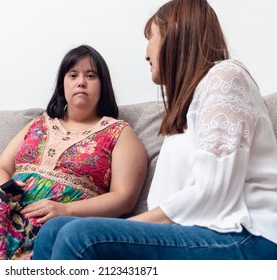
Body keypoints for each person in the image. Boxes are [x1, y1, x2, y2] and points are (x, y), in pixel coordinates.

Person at [33, 0, 277, 260]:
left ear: (175, 35)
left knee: (79, 236)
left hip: (247, 235)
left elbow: (214, 193)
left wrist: (129, 226)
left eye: (150, 37)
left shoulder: (226, 78)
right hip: (200, 231)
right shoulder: (187, 106)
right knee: (54, 229)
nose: (146, 53)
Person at [0, 45, 147, 260]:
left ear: (103, 85)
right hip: (7, 211)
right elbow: (0, 168)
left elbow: (124, 198)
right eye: (73, 75)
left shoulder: (119, 132)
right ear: (63, 84)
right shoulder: (39, 124)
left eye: (90, 76)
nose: (81, 82)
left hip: (49, 224)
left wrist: (64, 209)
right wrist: (8, 189)